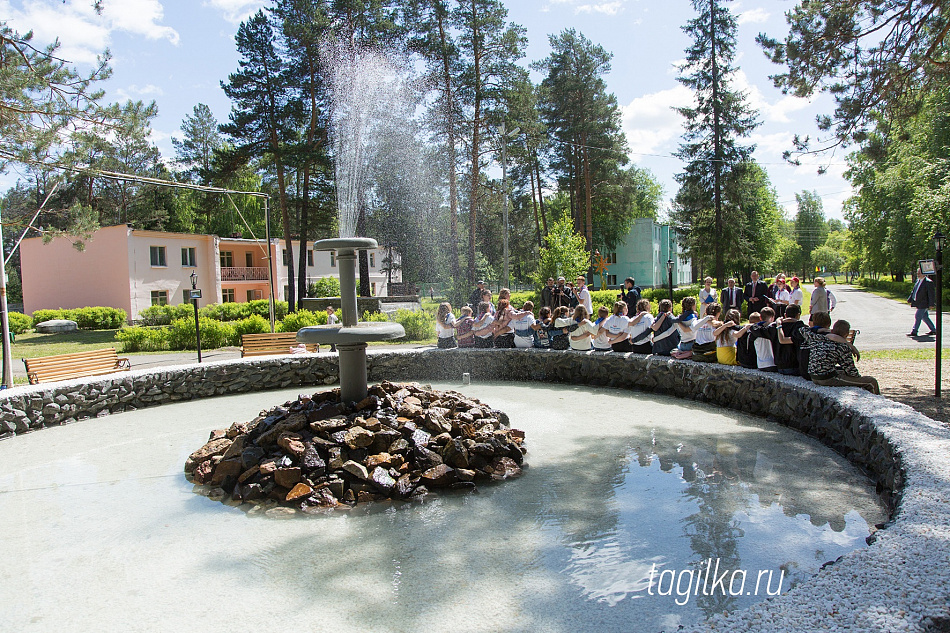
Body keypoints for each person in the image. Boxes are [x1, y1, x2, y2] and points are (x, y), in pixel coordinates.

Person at [804, 319, 880, 394]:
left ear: (832, 330)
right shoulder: (842, 346)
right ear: (846, 334)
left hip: (813, 376)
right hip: (826, 378)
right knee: (871, 381)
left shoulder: (819, 338)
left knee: (842, 371)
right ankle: (878, 401)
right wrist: (859, 379)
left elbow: (803, 329)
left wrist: (822, 330)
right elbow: (851, 371)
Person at [774, 304, 806, 375]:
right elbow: (783, 340)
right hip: (793, 366)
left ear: (785, 315)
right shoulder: (799, 327)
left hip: (779, 366)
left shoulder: (775, 326)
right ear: (798, 315)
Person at [908, 268, 937, 337]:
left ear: (924, 273)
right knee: (925, 317)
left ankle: (914, 331)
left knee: (918, 316)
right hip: (919, 302)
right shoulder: (918, 281)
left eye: (920, 273)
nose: (918, 274)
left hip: (924, 303)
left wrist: (931, 304)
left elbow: (931, 294)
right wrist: (910, 299)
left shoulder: (928, 282)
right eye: (917, 273)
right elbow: (914, 291)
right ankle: (933, 330)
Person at [748, 306, 778, 371]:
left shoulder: (755, 329)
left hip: (760, 364)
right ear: (772, 318)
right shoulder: (774, 329)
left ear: (760, 317)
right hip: (773, 363)